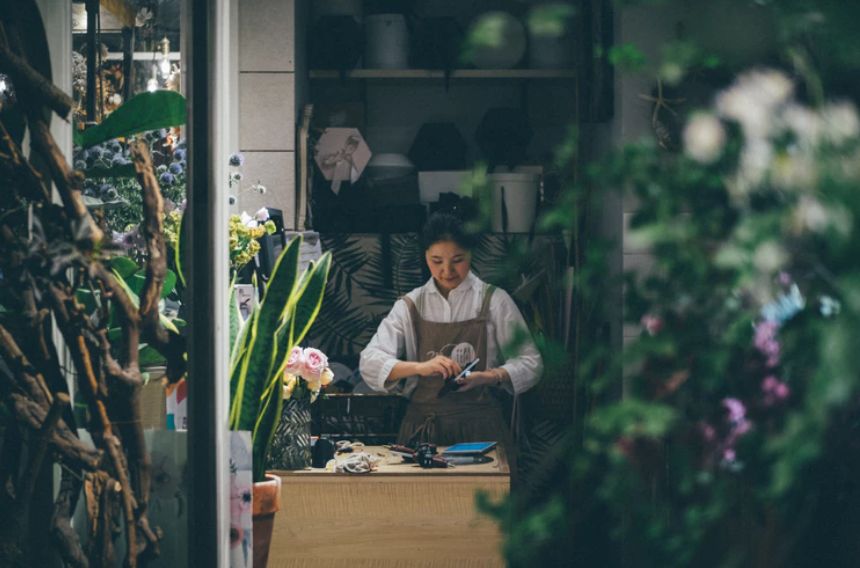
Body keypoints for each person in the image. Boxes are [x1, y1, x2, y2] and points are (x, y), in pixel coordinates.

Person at [360, 213, 543, 451]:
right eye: (436, 260)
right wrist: (420, 367)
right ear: (425, 256)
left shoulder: (494, 300)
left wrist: (489, 376)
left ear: (471, 255)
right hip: (422, 431)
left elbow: (531, 363)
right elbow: (369, 361)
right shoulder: (410, 305)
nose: (447, 270)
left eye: (457, 259)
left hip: (482, 430)